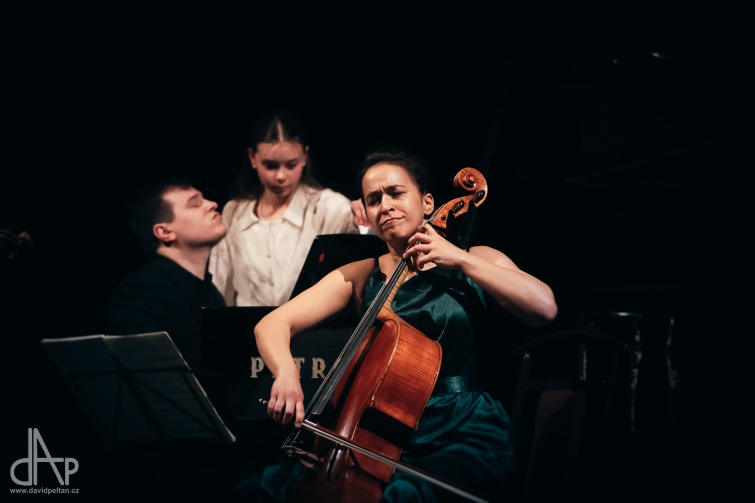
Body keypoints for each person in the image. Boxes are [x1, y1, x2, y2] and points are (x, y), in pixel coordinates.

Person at [236, 148, 558, 502]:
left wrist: (461, 260)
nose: (385, 205)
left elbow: (544, 308)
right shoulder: (362, 274)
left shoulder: (478, 257)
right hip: (376, 431)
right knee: (259, 490)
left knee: (403, 496)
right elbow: (272, 324)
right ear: (369, 218)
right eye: (374, 199)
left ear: (428, 202)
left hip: (461, 427)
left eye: (395, 193)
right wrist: (285, 373)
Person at [209, 109, 370, 307]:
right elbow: (220, 282)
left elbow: (367, 249)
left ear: (305, 155)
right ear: (252, 157)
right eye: (270, 165)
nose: (281, 176)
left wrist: (365, 215)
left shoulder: (328, 206)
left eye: (291, 165)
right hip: (245, 331)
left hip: (308, 332)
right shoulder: (235, 212)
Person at [107, 175, 228, 370]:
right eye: (195, 204)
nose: (212, 204)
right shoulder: (141, 291)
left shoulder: (211, 291)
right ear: (165, 232)